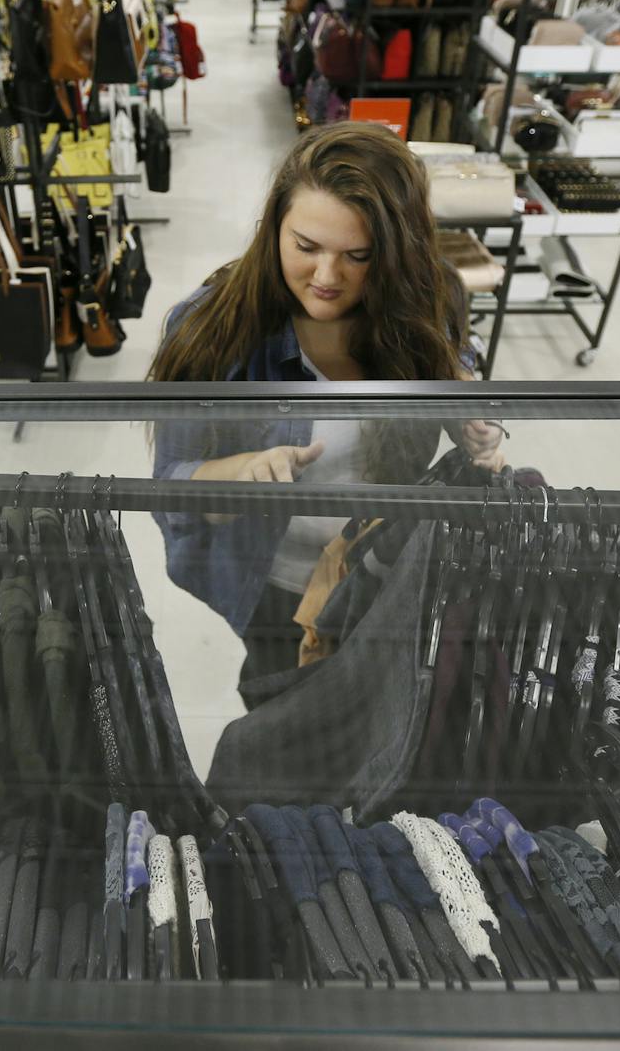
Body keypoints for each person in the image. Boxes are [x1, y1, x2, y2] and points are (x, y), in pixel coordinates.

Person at [149, 122, 505, 707]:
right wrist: (246, 473)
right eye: (306, 247)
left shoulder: (428, 298)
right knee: (281, 724)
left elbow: (457, 372)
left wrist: (471, 421)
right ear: (275, 229)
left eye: (357, 256)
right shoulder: (210, 329)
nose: (326, 278)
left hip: (389, 575)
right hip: (274, 589)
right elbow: (171, 490)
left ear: (396, 253)